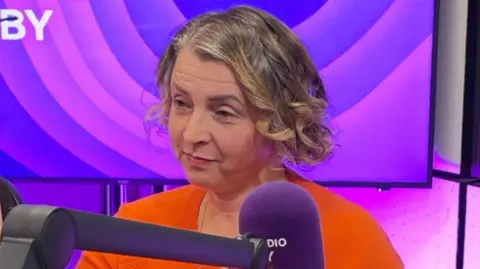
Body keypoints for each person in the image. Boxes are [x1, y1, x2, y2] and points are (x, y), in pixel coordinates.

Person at [76, 5, 403, 269]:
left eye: (223, 112)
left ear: (280, 119)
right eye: (182, 103)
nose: (192, 134)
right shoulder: (131, 232)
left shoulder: (353, 237)